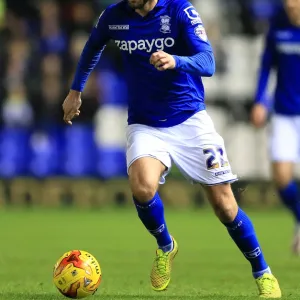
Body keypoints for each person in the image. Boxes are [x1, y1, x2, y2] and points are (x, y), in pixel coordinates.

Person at [62, 0, 281, 297]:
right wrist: (76, 91)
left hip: (189, 120)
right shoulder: (115, 15)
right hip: (145, 123)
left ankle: (262, 272)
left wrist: (176, 60)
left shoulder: (180, 11)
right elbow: (92, 47)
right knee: (142, 187)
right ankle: (165, 245)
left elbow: (208, 62)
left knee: (225, 206)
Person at [251, 0, 300, 255]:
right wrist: (260, 100)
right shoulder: (277, 23)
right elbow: (267, 64)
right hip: (283, 113)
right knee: (281, 179)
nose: (291, 5)